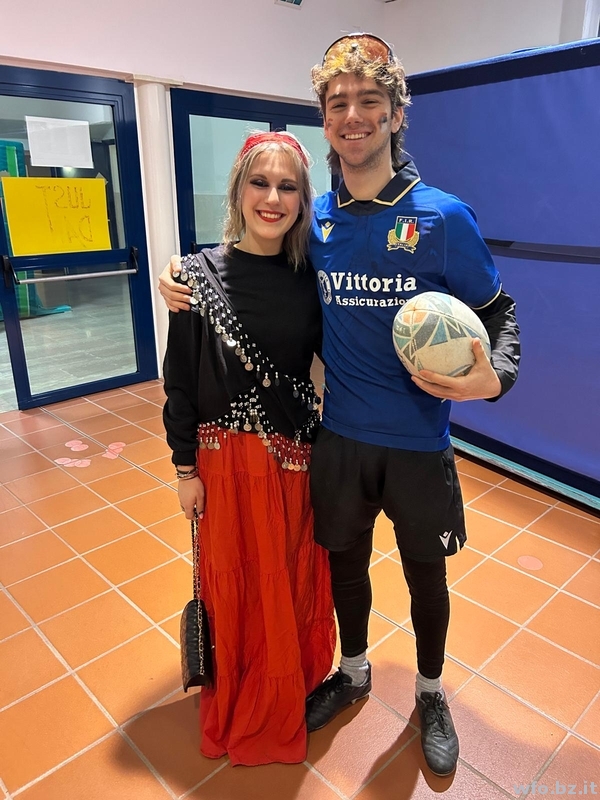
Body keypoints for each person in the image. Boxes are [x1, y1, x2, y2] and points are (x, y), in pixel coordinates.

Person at [159, 34, 520, 777]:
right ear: (325, 120)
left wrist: (496, 378)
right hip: (339, 442)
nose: (353, 116)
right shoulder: (314, 223)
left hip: (418, 443)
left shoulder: (444, 217)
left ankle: (430, 692)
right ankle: (353, 671)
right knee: (344, 569)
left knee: (426, 576)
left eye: (369, 102)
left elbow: (499, 313)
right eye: (338, 104)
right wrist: (181, 274)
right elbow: (251, 270)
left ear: (396, 114)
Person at [162, 130, 336, 767]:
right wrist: (184, 469)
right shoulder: (193, 276)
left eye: (287, 187)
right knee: (236, 589)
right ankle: (240, 700)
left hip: (294, 462)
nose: (272, 198)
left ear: (302, 200)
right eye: (259, 183)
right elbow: (180, 380)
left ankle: (286, 689)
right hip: (225, 467)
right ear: (238, 191)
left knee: (286, 582)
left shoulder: (313, 280)